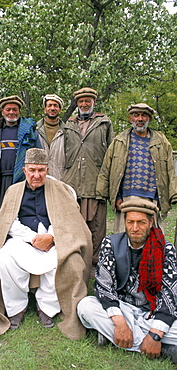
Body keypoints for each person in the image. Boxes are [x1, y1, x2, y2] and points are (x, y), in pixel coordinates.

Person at [0, 148, 92, 340]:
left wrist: (51, 238)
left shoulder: (60, 189)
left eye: (41, 170)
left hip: (54, 239)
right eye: (32, 170)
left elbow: (69, 218)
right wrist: (33, 238)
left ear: (47, 170)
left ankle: (47, 308)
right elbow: (8, 222)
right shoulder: (13, 191)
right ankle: (16, 307)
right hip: (23, 239)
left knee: (62, 258)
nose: (36, 175)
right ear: (25, 170)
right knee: (4, 259)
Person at [77, 199, 177, 365]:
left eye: (141, 222)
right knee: (86, 306)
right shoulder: (111, 244)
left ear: (151, 222)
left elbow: (170, 295)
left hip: (153, 311)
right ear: (125, 222)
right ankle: (163, 350)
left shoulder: (165, 249)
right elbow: (103, 287)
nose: (135, 228)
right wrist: (120, 322)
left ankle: (120, 337)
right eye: (130, 222)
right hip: (124, 311)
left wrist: (155, 333)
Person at [96, 103, 177, 233]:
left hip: (152, 197)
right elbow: (107, 169)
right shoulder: (119, 141)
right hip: (126, 198)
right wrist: (115, 197)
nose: (140, 119)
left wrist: (171, 195)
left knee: (150, 237)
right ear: (130, 119)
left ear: (149, 119)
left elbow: (170, 170)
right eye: (136, 115)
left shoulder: (161, 141)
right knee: (124, 237)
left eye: (144, 115)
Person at [62, 87, 114, 269]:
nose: (84, 104)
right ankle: (74, 261)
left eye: (87, 101)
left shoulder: (104, 123)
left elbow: (111, 154)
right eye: (81, 101)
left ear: (94, 103)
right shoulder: (68, 124)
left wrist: (107, 182)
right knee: (74, 224)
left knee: (97, 226)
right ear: (77, 104)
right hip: (72, 183)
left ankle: (94, 263)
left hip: (95, 181)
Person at [0, 95, 42, 220]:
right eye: (8, 109)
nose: (11, 112)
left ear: (19, 111)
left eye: (15, 109)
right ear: (2, 111)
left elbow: (38, 155)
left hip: (23, 179)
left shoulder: (29, 132)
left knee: (22, 212)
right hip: (0, 180)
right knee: (1, 213)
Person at [37, 94, 65, 180]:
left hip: (60, 178)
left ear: (60, 110)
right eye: (49, 105)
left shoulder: (67, 131)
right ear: (45, 109)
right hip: (38, 178)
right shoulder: (35, 130)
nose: (52, 108)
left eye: (55, 106)